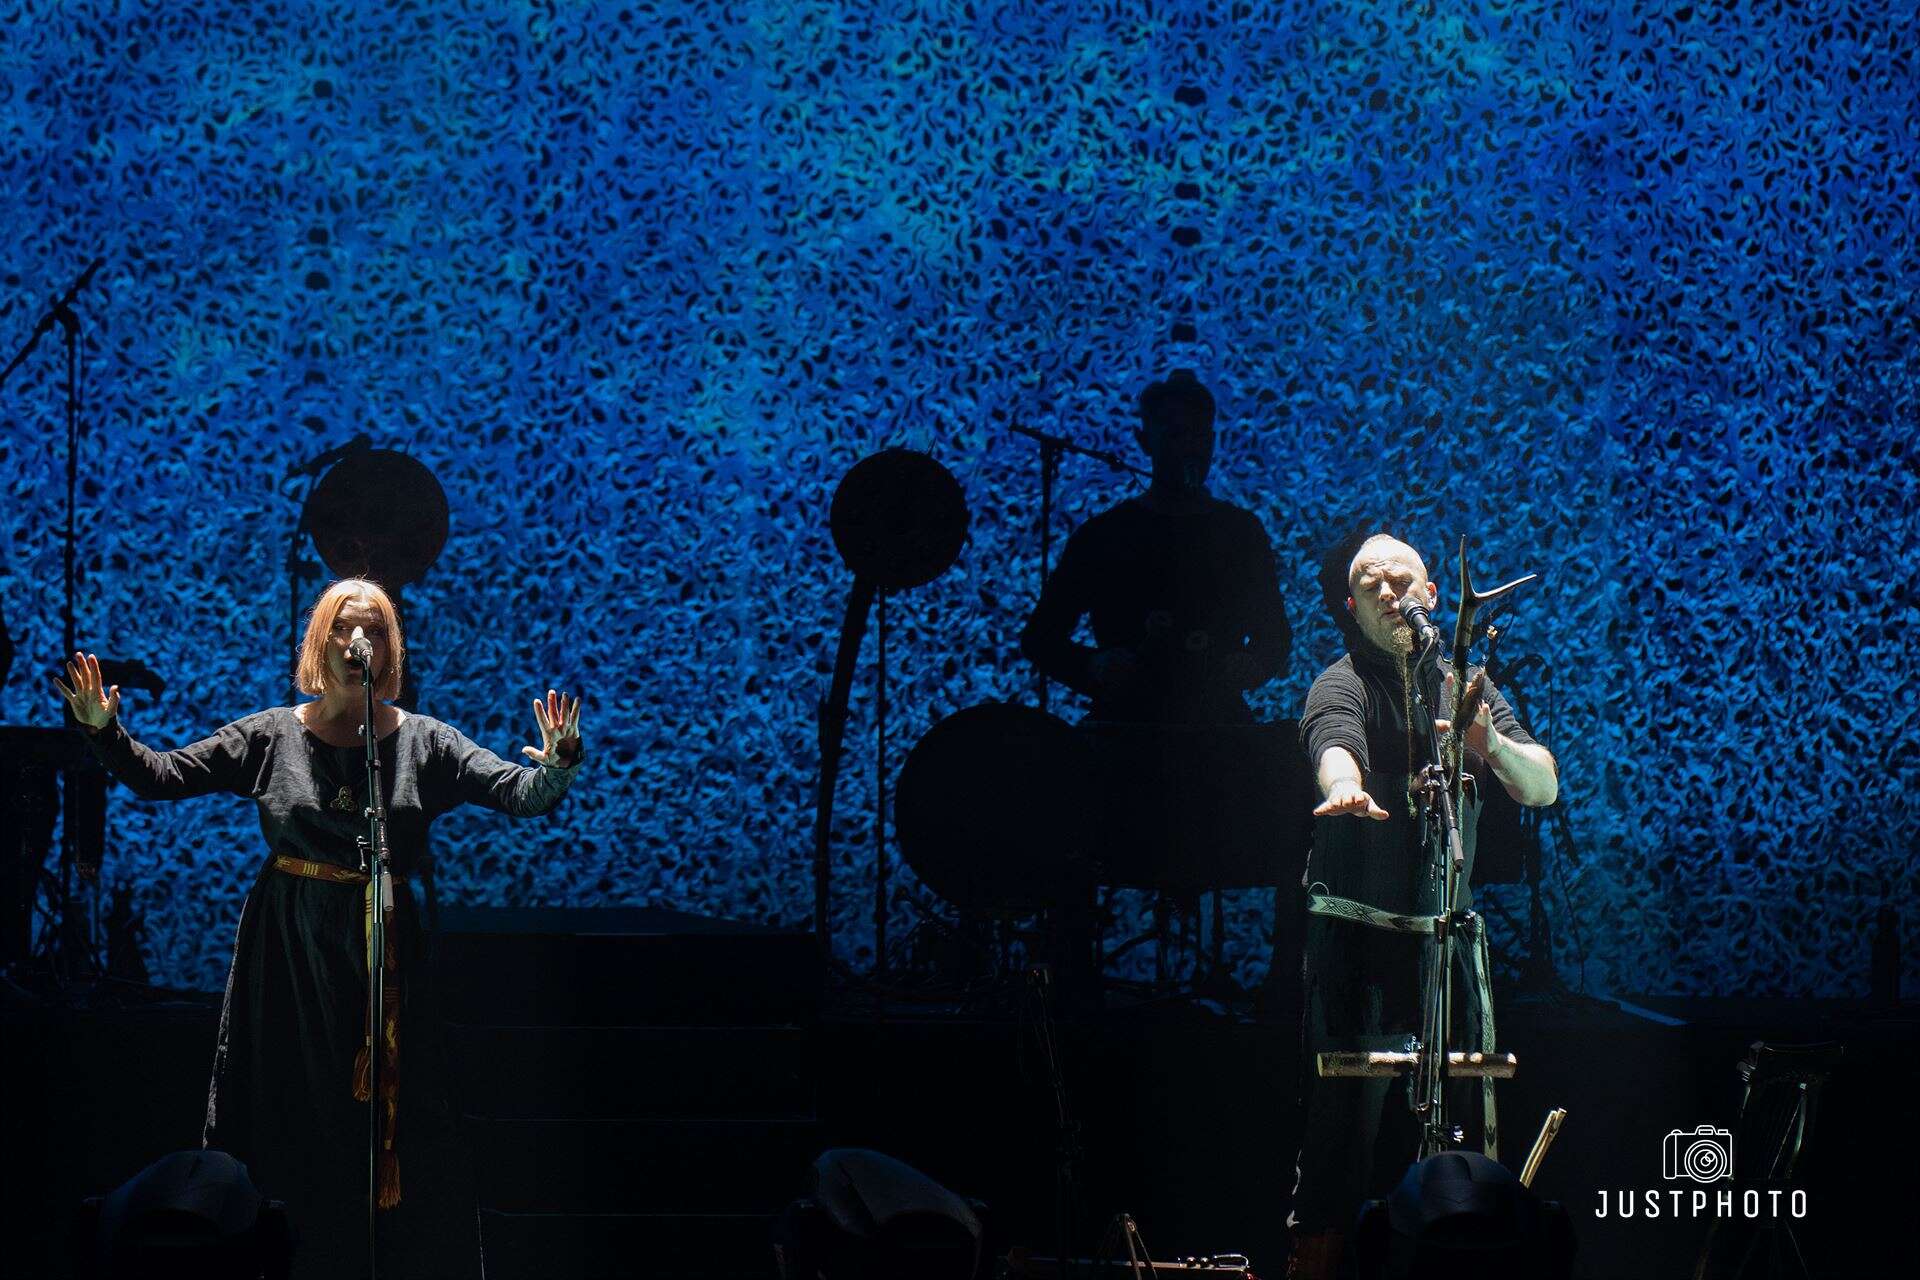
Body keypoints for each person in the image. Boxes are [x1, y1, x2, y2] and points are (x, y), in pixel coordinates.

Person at [53, 578, 585, 1278]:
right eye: (343, 626)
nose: (357, 640)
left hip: (383, 950)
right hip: (291, 947)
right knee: (291, 1102)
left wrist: (559, 764)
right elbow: (164, 776)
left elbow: (520, 793)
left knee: (392, 1111)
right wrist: (103, 730)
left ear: (389, 649)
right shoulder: (271, 735)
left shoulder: (424, 741)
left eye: (373, 629)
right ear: (320, 641)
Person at [1288, 532, 1556, 1280]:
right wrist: (1343, 785)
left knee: (1463, 1141)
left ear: (1431, 595)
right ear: (1351, 608)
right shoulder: (1340, 682)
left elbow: (1542, 785)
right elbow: (1332, 741)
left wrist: (1491, 744)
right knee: (1340, 1137)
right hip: (1360, 939)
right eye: (1368, 585)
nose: (1387, 591)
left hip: (1447, 939)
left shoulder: (1465, 685)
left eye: (1400, 579)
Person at [1020, 369, 1291, 725]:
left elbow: (1274, 633)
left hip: (1210, 726)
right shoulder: (1105, 534)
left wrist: (1253, 664)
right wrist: (1095, 665)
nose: (1190, 448)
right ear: (1145, 441)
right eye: (1176, 435)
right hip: (1132, 725)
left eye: (1199, 436)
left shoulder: (1242, 531)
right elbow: (1041, 637)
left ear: (1212, 440)